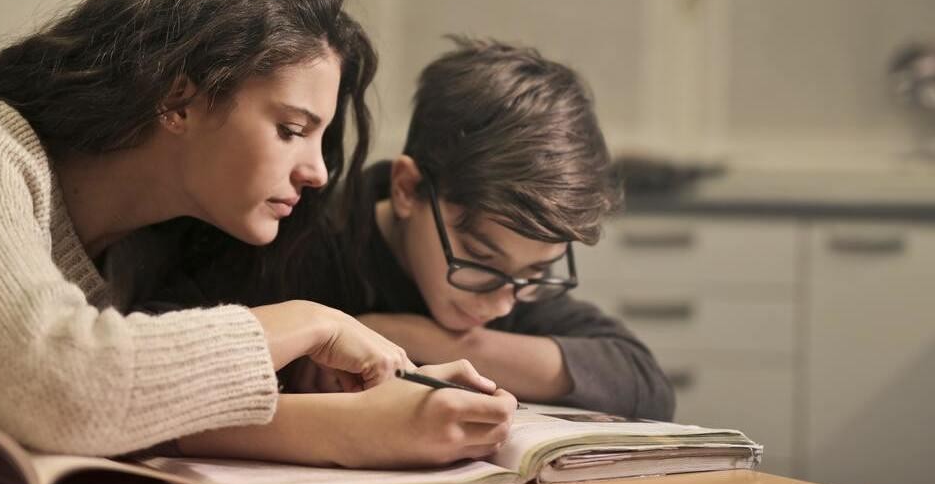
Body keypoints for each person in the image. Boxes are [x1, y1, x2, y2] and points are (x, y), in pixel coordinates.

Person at [0, 0, 514, 471]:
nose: (319, 172)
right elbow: (64, 387)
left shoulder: (147, 252)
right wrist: (312, 323)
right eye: (291, 129)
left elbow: (119, 409)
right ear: (178, 100)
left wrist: (375, 410)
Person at [151, 37, 674, 420]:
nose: (501, 305)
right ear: (406, 188)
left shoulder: (510, 284)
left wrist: (421, 340)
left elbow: (643, 381)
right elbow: (153, 352)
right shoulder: (294, 236)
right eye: (479, 258)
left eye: (536, 273)